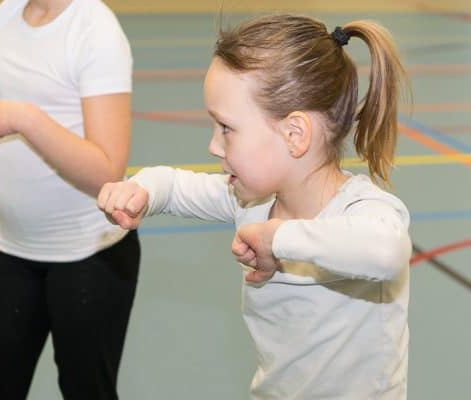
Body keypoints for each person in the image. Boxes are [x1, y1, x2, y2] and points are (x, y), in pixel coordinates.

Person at [98, 14, 412, 400]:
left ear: (294, 135)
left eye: (226, 128)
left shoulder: (363, 211)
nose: (214, 146)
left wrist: (277, 239)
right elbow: (176, 186)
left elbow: (386, 252)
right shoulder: (253, 202)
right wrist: (142, 188)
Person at [0, 1, 140, 399]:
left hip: (88, 256)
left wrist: (26, 120)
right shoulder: (0, 21)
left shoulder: (94, 30)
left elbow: (106, 170)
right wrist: (10, 121)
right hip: (13, 250)